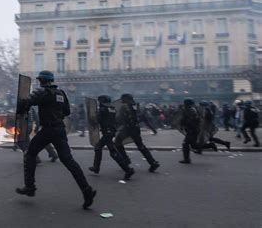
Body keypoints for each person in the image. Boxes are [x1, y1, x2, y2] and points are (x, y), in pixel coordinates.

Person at [15, 70, 96, 209]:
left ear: (41, 81)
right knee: (68, 160)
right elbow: (67, 112)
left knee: (30, 154)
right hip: (60, 129)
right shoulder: (61, 94)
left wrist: (22, 102)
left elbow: (26, 103)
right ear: (51, 80)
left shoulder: (41, 92)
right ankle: (87, 190)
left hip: (48, 130)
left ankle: (30, 187)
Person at [88, 95, 134, 180]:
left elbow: (97, 120)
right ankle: (96, 167)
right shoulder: (112, 108)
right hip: (111, 131)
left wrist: (93, 118)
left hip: (107, 132)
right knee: (98, 147)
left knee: (113, 152)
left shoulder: (103, 109)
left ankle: (128, 169)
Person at [114, 94, 160, 172]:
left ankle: (125, 160)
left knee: (117, 143)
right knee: (141, 146)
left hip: (127, 128)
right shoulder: (135, 105)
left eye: (122, 98)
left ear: (126, 99)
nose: (121, 100)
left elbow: (119, 118)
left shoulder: (124, 107)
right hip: (135, 128)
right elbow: (139, 116)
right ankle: (153, 162)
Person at [179, 99, 202, 164]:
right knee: (193, 145)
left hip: (192, 130)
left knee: (185, 143)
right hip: (192, 129)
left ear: (187, 104)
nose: (184, 104)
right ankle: (203, 147)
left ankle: (187, 159)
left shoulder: (190, 110)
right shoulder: (189, 110)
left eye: (185, 103)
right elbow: (183, 119)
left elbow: (192, 121)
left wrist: (191, 129)